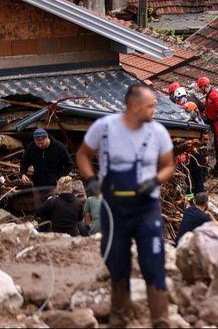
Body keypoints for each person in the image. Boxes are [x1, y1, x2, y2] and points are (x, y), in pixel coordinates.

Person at [76, 83, 174, 327]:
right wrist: (91, 180)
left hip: (146, 209)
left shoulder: (158, 132)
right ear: (134, 106)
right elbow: (82, 154)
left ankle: (160, 321)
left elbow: (168, 166)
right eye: (150, 106)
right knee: (117, 264)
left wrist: (154, 180)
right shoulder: (105, 128)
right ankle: (120, 319)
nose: (154, 110)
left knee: (153, 263)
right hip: (114, 209)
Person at [196, 76, 218, 173]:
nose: (200, 90)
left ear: (204, 86)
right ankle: (217, 169)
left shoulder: (213, 95)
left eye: (201, 88)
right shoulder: (209, 96)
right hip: (216, 123)